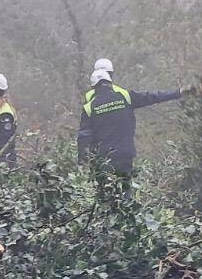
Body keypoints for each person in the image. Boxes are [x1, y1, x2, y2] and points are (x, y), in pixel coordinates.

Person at [76, 64, 186, 198]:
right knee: (125, 193)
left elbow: (84, 137)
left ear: (93, 87)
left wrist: (82, 161)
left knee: (105, 195)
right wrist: (177, 92)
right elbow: (152, 96)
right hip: (124, 154)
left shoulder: (89, 107)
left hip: (103, 159)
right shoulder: (126, 97)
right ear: (110, 81)